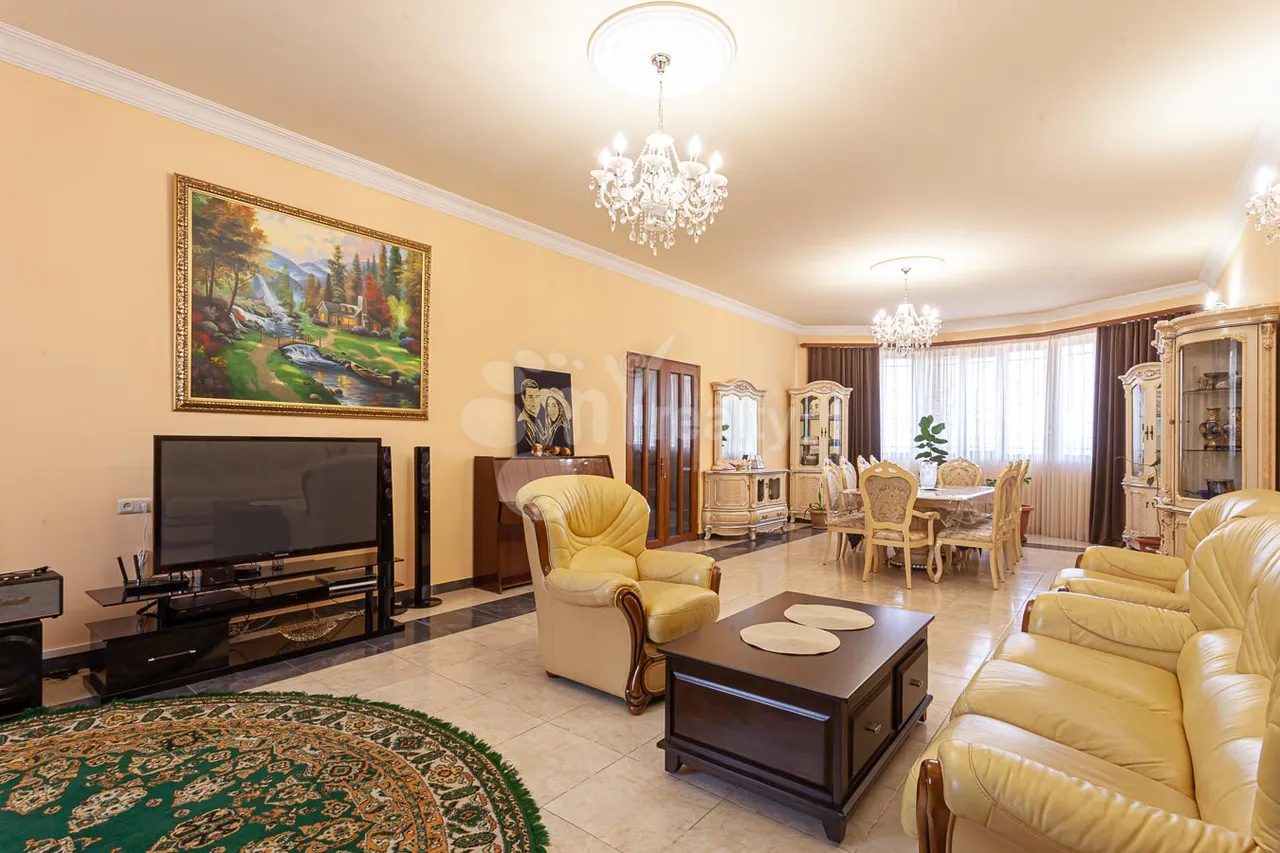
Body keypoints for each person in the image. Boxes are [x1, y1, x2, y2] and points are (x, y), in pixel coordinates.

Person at [540, 387, 573, 452]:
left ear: (560, 408)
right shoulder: (552, 429)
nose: (550, 410)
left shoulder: (560, 428)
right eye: (548, 405)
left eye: (554, 406)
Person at [516, 378, 544, 453]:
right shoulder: (522, 423)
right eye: (530, 397)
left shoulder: (538, 421)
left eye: (537, 397)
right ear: (523, 398)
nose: (535, 401)